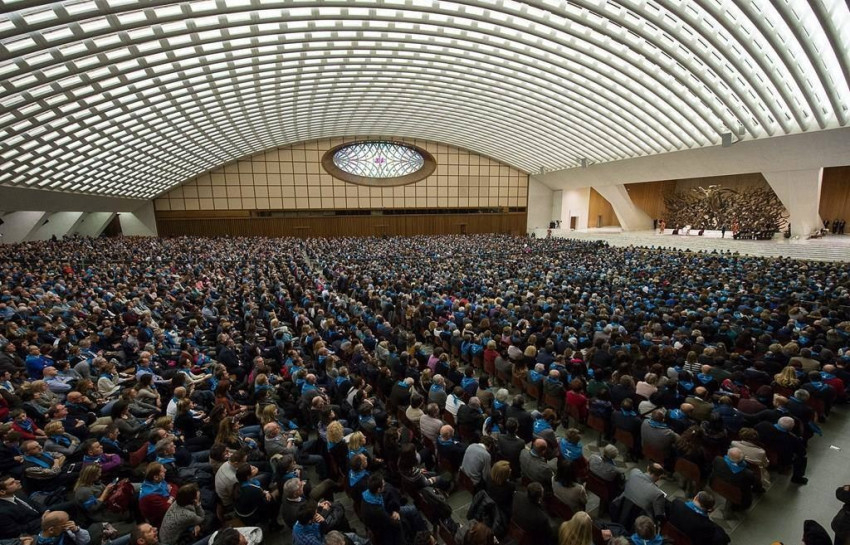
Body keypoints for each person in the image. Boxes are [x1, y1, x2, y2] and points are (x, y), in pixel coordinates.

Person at [754, 416, 808, 484]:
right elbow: (802, 452)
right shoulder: (792, 439)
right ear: (791, 428)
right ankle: (797, 477)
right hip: (780, 459)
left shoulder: (763, 425)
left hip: (759, 452)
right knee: (802, 458)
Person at [0, 474, 44, 539]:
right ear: (2, 492)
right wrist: (42, 520)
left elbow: (36, 506)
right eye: (12, 483)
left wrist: (48, 511)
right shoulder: (2, 512)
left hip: (42, 519)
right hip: (30, 533)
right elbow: (16, 531)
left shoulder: (18, 493)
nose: (18, 481)